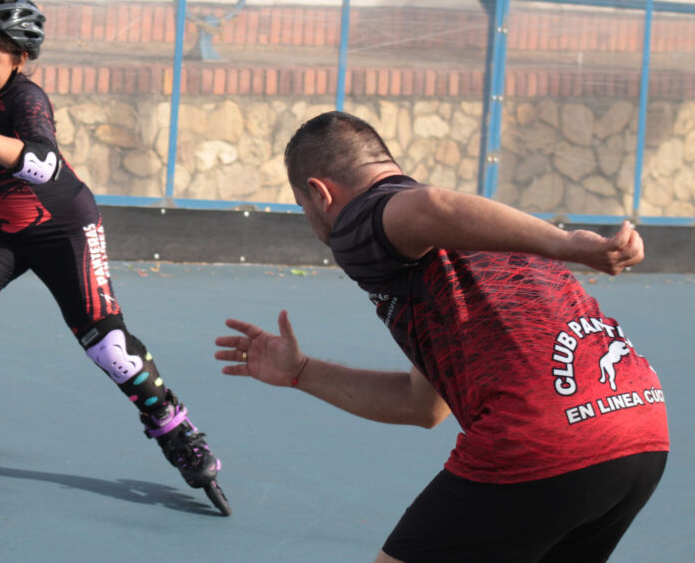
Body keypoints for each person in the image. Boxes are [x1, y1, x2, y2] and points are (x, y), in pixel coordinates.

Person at [214, 111, 669, 562]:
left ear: (320, 193)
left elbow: (429, 205)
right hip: (638, 425)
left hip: (541, 437)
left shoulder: (359, 221)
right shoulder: (457, 253)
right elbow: (423, 406)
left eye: (303, 209)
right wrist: (302, 372)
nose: (311, 223)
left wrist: (569, 245)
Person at [0, 0, 223, 498]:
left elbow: (46, 165)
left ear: (19, 61)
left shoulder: (26, 99)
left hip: (62, 228)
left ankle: (175, 429)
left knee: (110, 348)